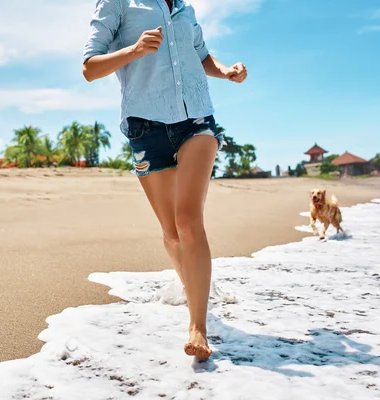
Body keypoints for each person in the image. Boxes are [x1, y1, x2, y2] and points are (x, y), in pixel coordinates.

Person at [82, 0, 247, 359]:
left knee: (188, 221)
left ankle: (198, 327)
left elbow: (201, 56)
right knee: (172, 232)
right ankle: (195, 287)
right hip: (145, 126)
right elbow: (90, 68)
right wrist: (135, 49)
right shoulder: (118, 4)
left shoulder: (185, 9)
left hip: (197, 119)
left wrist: (226, 70)